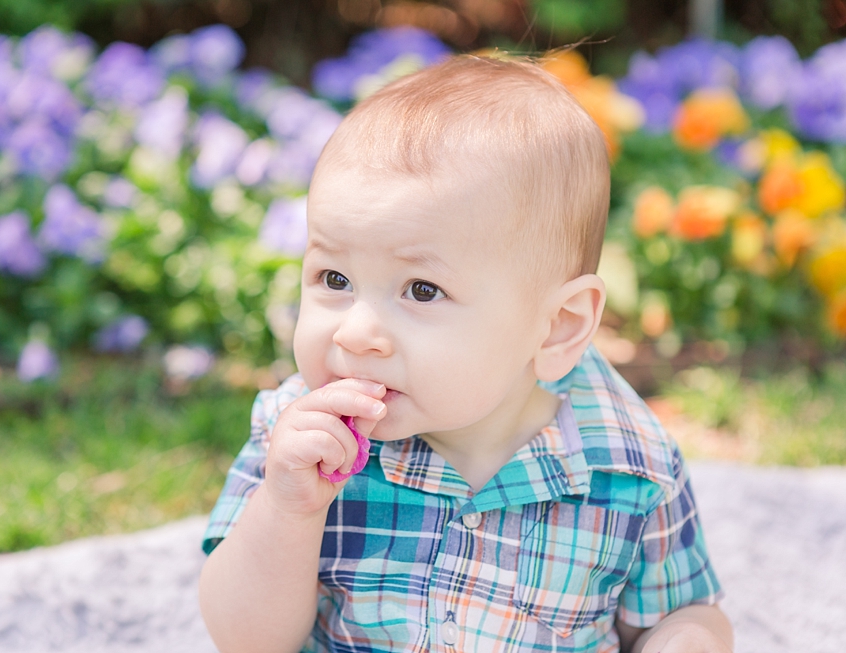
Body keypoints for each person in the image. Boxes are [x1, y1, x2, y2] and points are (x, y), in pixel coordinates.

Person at [198, 55, 732, 653]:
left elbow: (681, 613)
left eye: (421, 290)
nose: (354, 333)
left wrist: (684, 640)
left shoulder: (627, 468)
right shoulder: (297, 444)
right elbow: (245, 641)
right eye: (334, 277)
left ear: (557, 327)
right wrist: (287, 510)